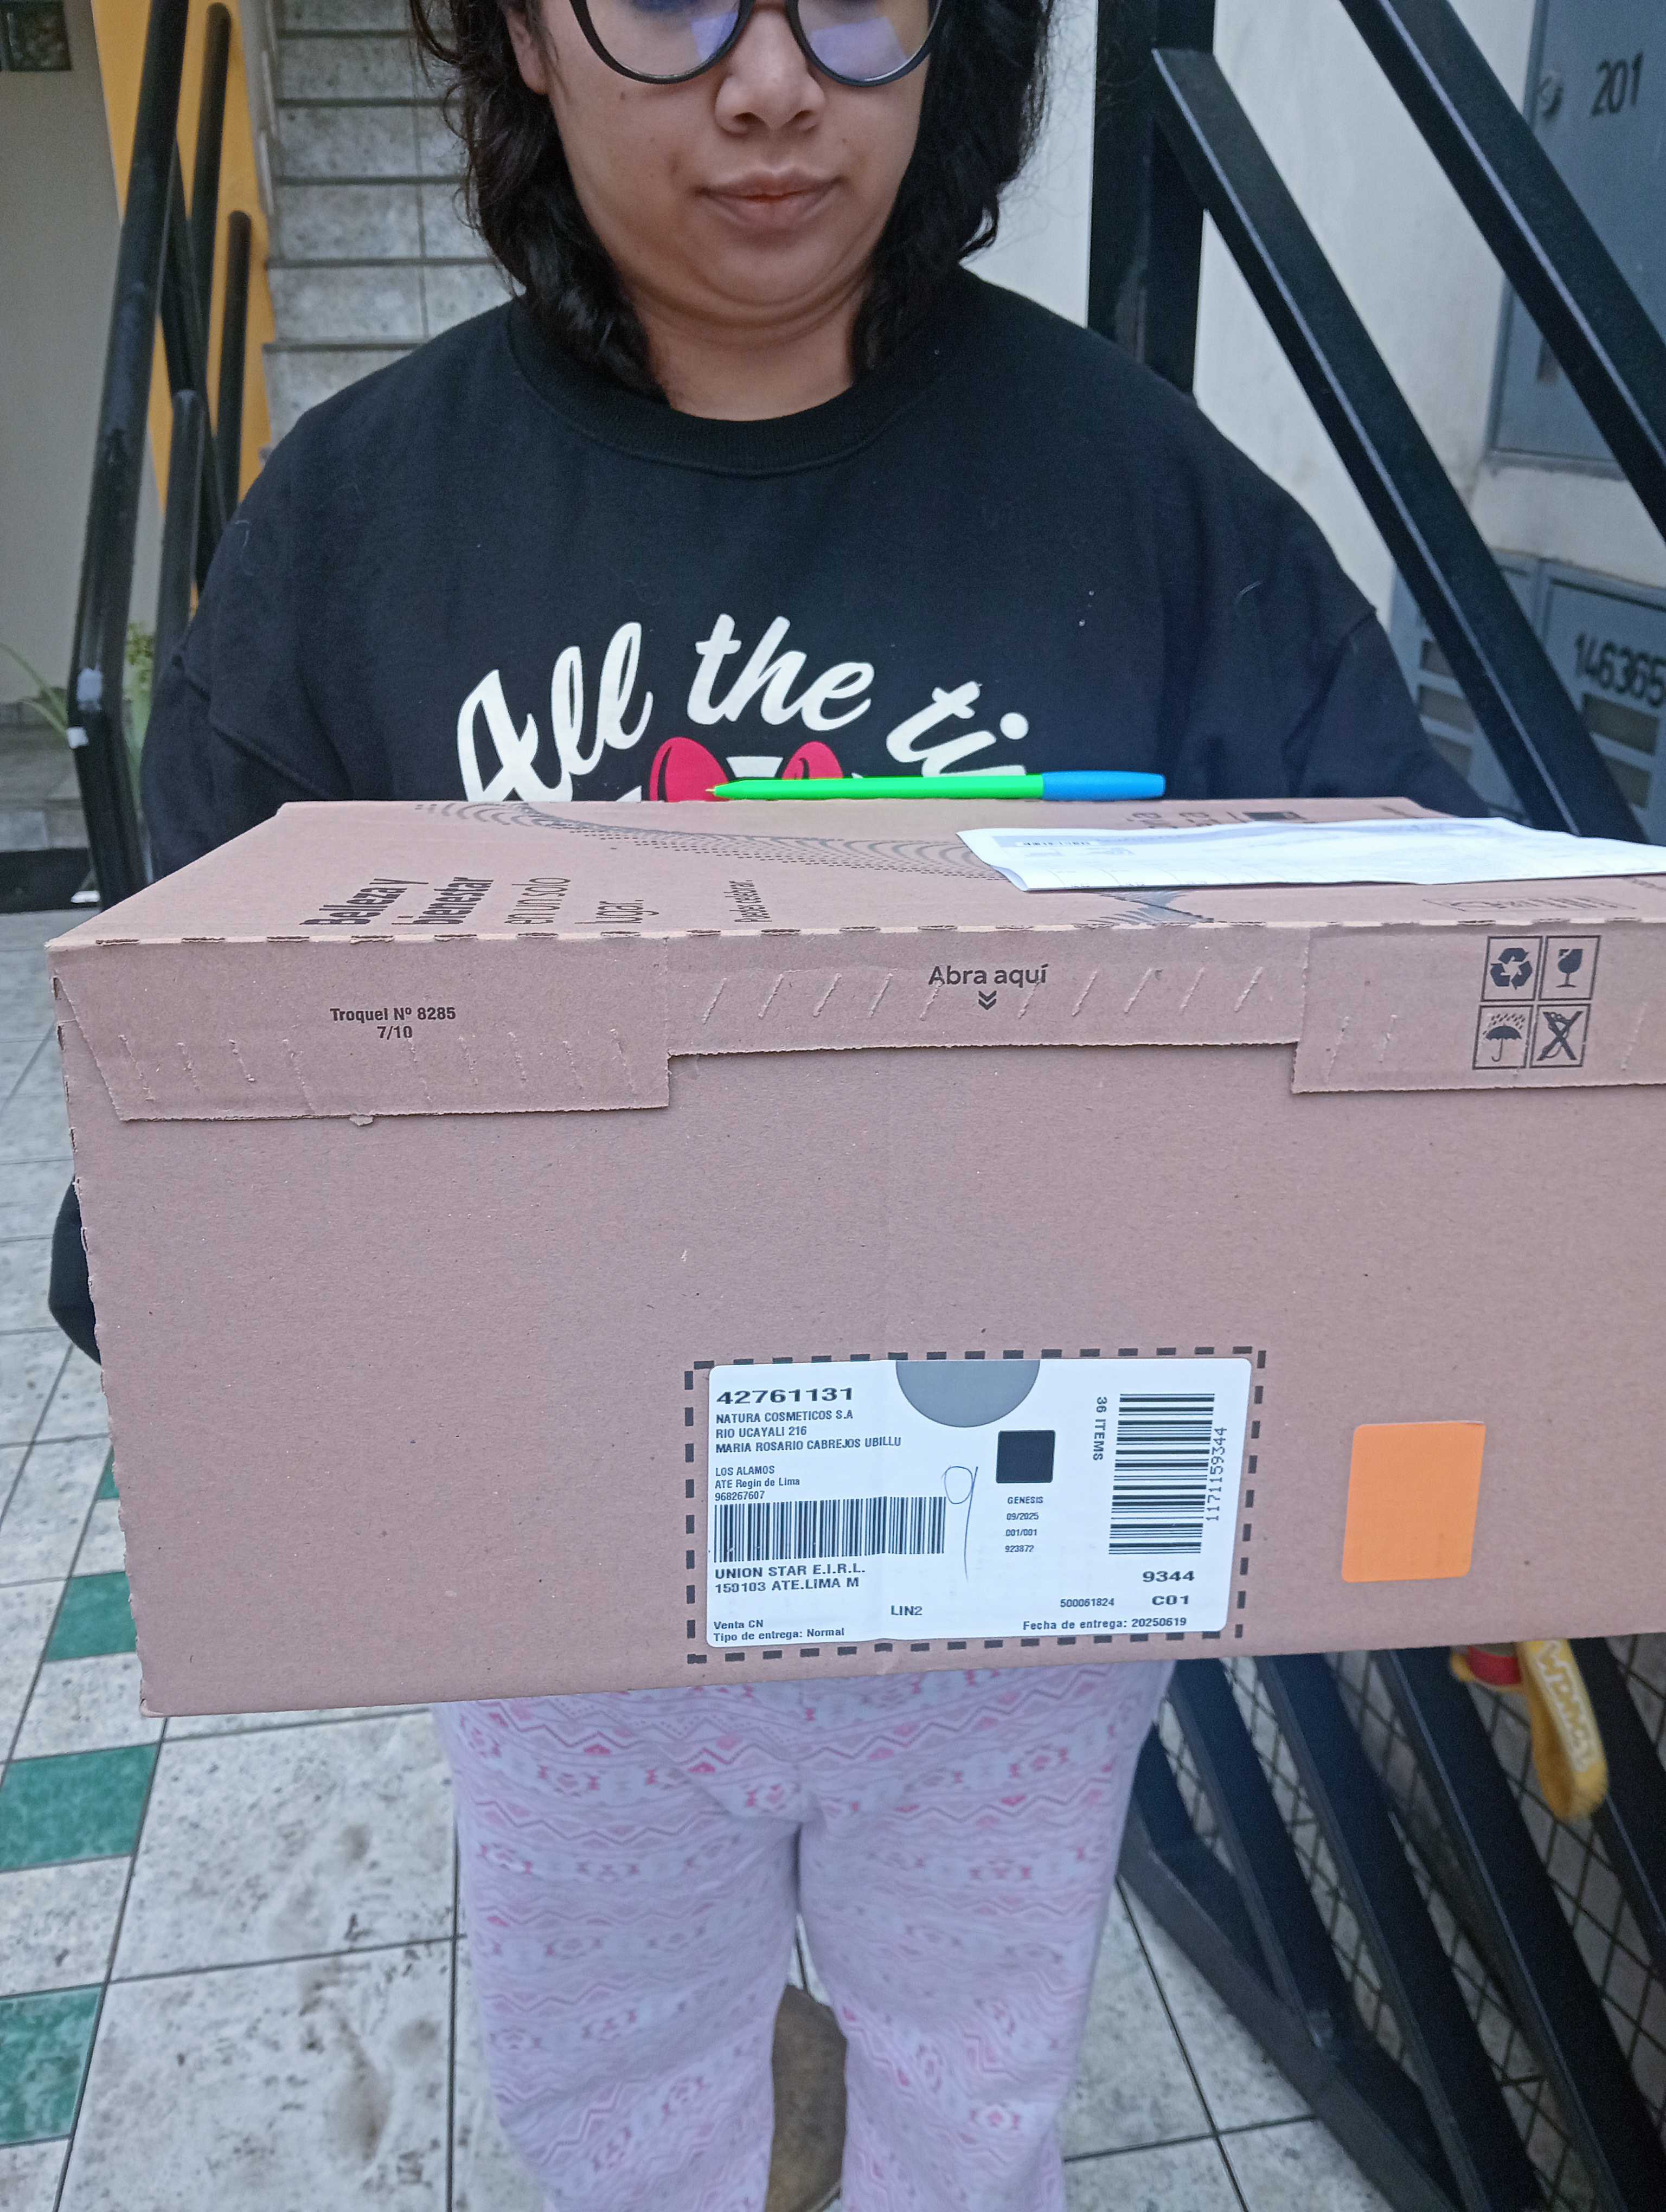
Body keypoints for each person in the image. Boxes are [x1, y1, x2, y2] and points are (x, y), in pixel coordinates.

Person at [57, 0, 1480, 2202]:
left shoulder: (1148, 498)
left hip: (1017, 1616)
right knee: (620, 2105)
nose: (770, 79)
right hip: (567, 1622)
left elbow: (1416, 1020)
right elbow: (191, 1150)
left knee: (973, 2097)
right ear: (526, 37)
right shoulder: (356, 531)